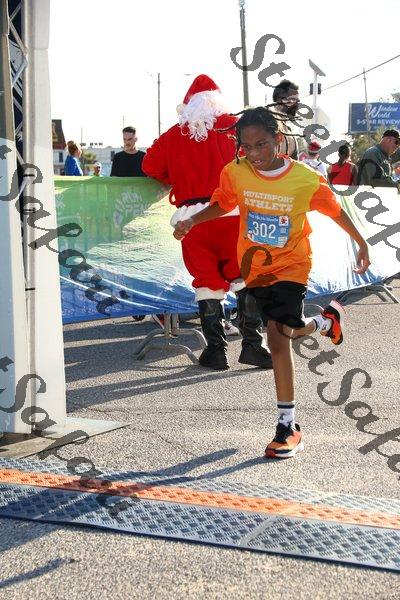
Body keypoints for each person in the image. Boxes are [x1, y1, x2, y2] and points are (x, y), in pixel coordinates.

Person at [174, 106, 370, 458]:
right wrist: (193, 221)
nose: (254, 154)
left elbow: (335, 211)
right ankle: (325, 321)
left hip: (292, 264)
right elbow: (223, 203)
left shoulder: (305, 179)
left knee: (277, 336)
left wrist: (362, 242)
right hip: (255, 266)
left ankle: (287, 426)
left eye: (261, 144)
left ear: (278, 140)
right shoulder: (236, 172)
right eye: (246, 147)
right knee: (288, 329)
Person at [143, 74, 272, 370]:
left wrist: (177, 176)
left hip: (192, 220)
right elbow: (261, 159)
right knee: (244, 277)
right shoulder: (234, 128)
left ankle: (216, 351)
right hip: (234, 214)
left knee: (206, 283)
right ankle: (253, 345)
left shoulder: (174, 135)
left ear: (188, 106)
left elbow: (150, 165)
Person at [272, 79, 301, 159]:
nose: (296, 104)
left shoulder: (289, 131)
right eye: (293, 99)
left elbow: (295, 164)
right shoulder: (264, 123)